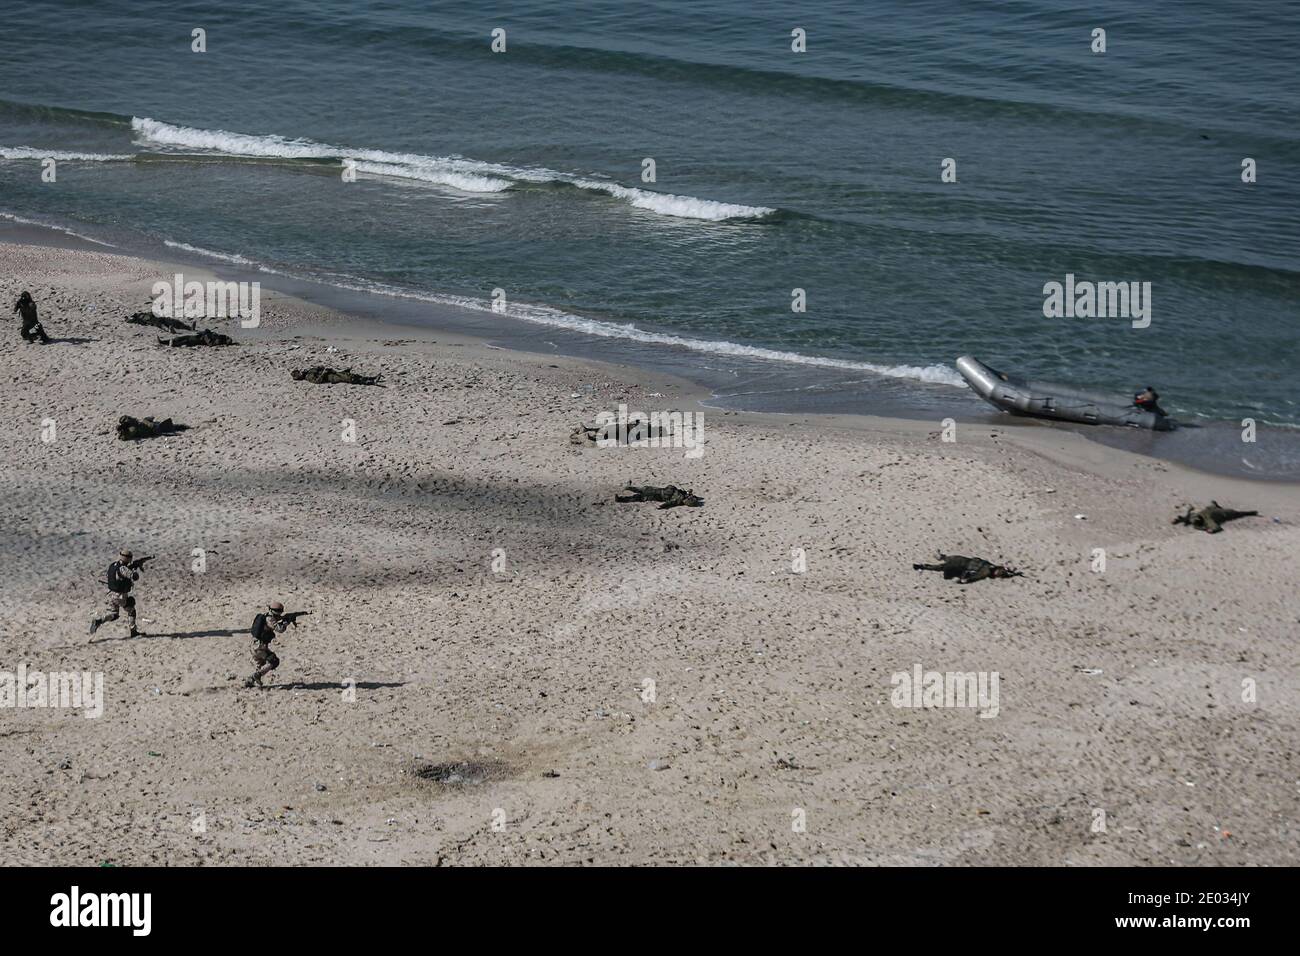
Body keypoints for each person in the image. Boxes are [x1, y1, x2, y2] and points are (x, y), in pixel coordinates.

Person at [89, 549, 148, 637]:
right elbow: (134, 577)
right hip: (120, 595)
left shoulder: (113, 565)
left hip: (111, 594)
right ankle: (133, 631)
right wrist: (134, 569)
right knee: (131, 609)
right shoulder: (123, 568)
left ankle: (99, 621)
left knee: (114, 614)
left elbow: (112, 576)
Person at [913, 553, 1020, 584]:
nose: (997, 574)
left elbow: (974, 574)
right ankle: (922, 566)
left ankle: (940, 557)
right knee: (940, 567)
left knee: (946, 562)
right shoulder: (986, 571)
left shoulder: (988, 566)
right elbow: (975, 576)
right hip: (962, 565)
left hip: (963, 561)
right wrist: (965, 580)